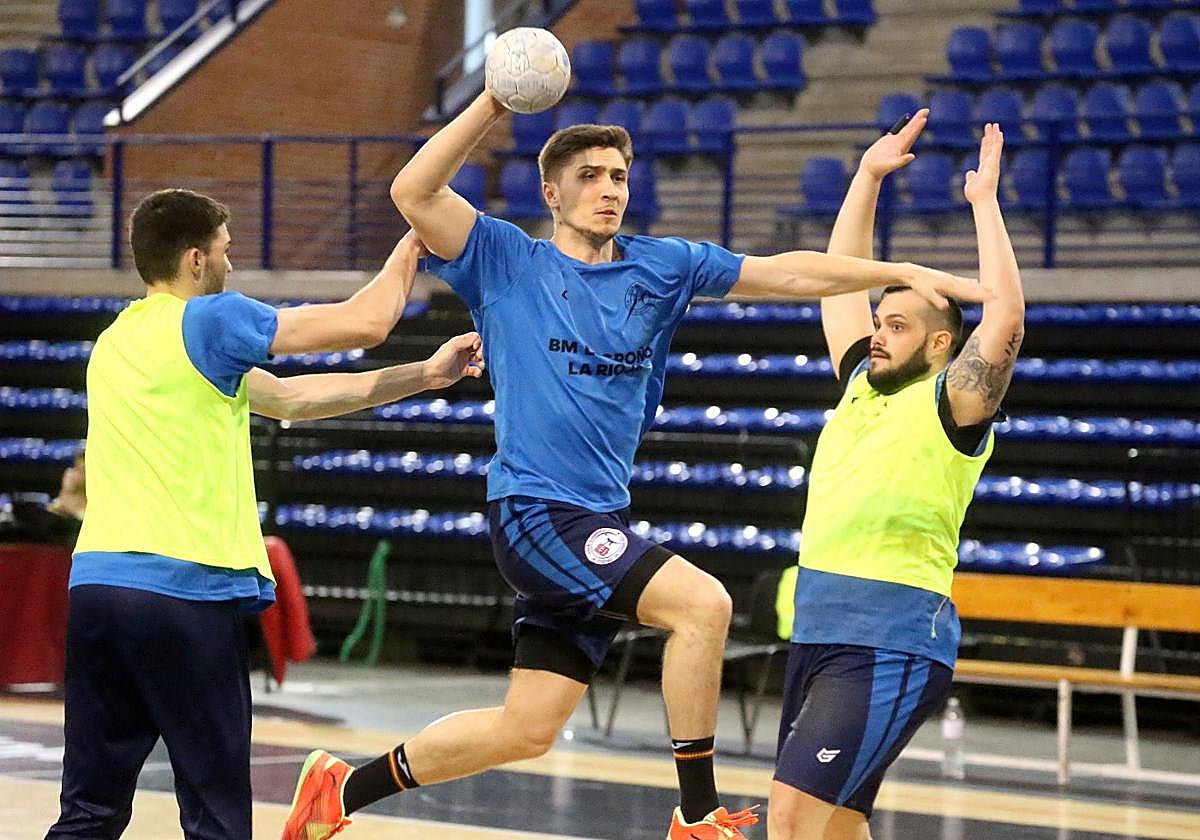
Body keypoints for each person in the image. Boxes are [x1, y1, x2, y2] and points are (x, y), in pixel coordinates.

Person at [281, 89, 990, 840]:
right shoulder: (502, 257)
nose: (610, 188)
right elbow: (413, 190)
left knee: (526, 728)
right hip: (535, 512)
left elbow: (787, 274)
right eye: (589, 175)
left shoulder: (664, 265)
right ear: (550, 192)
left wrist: (897, 268)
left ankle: (340, 789)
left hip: (598, 515)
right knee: (703, 606)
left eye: (619, 175)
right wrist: (494, 101)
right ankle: (696, 814)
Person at [46, 188, 483, 840]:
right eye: (225, 251)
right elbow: (365, 323)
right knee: (217, 814)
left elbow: (293, 401)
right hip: (182, 594)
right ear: (195, 260)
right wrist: (411, 246)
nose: (232, 265)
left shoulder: (117, 341)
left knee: (89, 811)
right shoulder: (212, 321)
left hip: (98, 591)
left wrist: (423, 375)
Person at [768, 117, 1026, 840]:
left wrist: (983, 203)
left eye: (900, 324)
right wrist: (868, 178)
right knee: (836, 828)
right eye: (879, 320)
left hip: (890, 640)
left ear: (942, 343)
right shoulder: (859, 382)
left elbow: (1004, 317)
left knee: (790, 821)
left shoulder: (954, 401)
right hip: (818, 633)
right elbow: (836, 278)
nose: (878, 331)